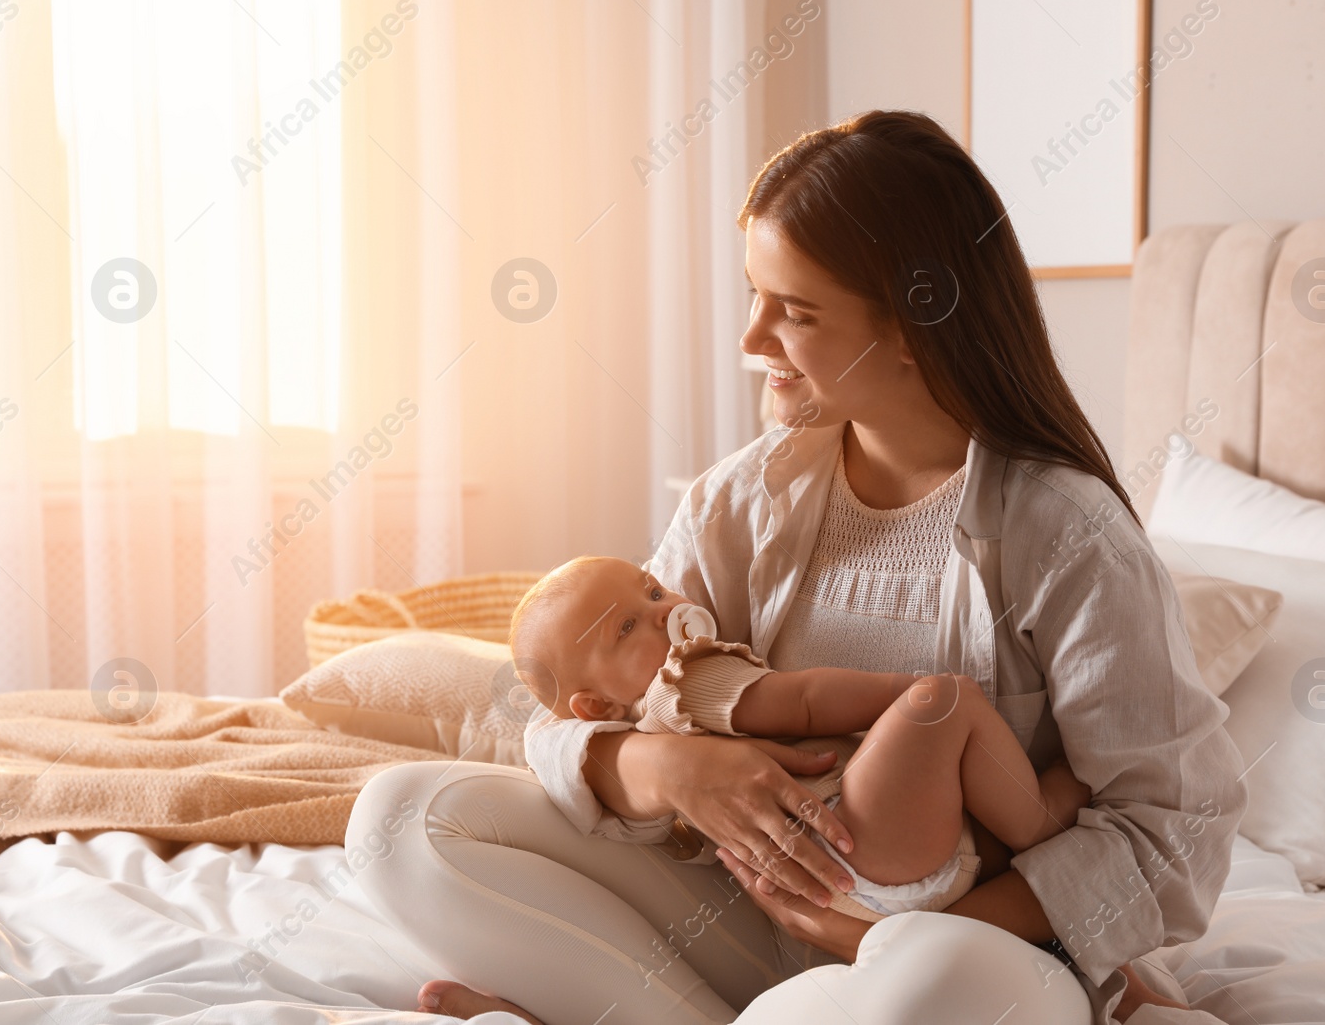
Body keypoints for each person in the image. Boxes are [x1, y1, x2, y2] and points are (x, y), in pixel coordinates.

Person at [347, 109, 1245, 1024]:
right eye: (755, 294)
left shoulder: (1069, 536)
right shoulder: (738, 500)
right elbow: (567, 708)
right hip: (748, 923)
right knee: (401, 822)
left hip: (971, 955)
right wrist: (670, 770)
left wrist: (879, 939)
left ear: (913, 327)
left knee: (936, 987)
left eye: (796, 311)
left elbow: (1170, 834)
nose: (750, 338)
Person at [502, 554, 1097, 927]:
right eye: (627, 627)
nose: (663, 612)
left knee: (1011, 789)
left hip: (849, 888)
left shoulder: (649, 712)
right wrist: (907, 692)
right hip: (856, 838)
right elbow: (805, 700)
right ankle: (1043, 837)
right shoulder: (682, 682)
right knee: (949, 702)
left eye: (653, 590)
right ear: (597, 707)